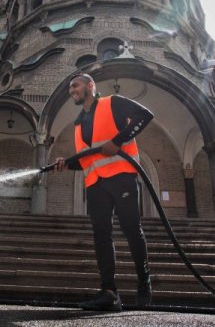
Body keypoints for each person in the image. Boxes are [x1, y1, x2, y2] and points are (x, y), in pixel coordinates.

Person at [54, 72, 154, 311]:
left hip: (122, 177)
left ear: (90, 85)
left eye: (75, 85)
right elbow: (88, 158)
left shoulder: (113, 103)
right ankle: (109, 292)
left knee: (132, 230)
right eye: (70, 87)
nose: (71, 90)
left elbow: (145, 116)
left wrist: (118, 140)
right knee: (101, 234)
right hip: (95, 185)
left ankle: (144, 283)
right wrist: (67, 163)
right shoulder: (78, 124)